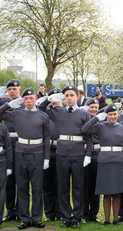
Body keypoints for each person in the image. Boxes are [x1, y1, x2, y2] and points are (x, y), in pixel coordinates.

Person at [39, 85, 92, 228]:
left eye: (71, 95)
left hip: (78, 153)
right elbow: (41, 109)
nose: (69, 98)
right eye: (66, 96)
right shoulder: (58, 112)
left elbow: (88, 136)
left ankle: (77, 217)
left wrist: (88, 154)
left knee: (78, 186)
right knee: (62, 186)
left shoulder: (83, 113)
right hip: (62, 153)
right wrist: (49, 99)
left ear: (77, 97)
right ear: (63, 98)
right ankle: (65, 216)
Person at [0, 88, 50, 229]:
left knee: (37, 187)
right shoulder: (17, 114)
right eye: (26, 99)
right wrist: (9, 105)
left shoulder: (43, 116)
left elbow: (46, 138)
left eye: (31, 98)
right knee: (22, 187)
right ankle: (24, 219)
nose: (29, 101)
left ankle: (37, 218)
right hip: (21, 152)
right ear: (23, 100)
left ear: (35, 99)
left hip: (38, 153)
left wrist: (46, 158)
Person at [82, 103, 123, 226]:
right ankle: (107, 219)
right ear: (107, 115)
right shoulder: (100, 126)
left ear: (118, 114)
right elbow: (84, 129)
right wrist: (96, 117)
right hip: (105, 161)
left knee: (118, 192)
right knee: (107, 192)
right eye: (110, 114)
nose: (113, 116)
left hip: (119, 161)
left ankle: (115, 219)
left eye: (115, 114)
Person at [2, 79, 22, 223]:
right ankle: (10, 212)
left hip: (21, 143)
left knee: (21, 180)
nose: (13, 91)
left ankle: (21, 211)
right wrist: (7, 105)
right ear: (7, 91)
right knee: (9, 182)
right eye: (10, 89)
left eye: (15, 89)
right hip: (8, 142)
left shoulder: (25, 102)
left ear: (19, 89)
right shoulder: (3, 102)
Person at [41, 88, 62, 222]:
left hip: (60, 152)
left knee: (60, 185)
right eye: (52, 99)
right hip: (47, 152)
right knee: (47, 185)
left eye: (57, 98)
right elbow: (41, 106)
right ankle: (49, 213)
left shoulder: (65, 112)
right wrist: (48, 99)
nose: (54, 101)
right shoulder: (45, 113)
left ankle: (60, 212)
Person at [82, 98, 100, 223]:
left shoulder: (100, 119)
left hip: (98, 154)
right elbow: (84, 130)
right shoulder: (83, 119)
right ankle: (84, 213)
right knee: (84, 185)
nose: (93, 109)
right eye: (91, 107)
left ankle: (94, 214)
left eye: (95, 107)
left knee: (96, 186)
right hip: (84, 154)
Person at [0, 117, 12, 227]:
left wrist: (9, 165)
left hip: (1, 160)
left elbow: (8, 147)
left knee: (1, 190)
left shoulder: (3, 128)